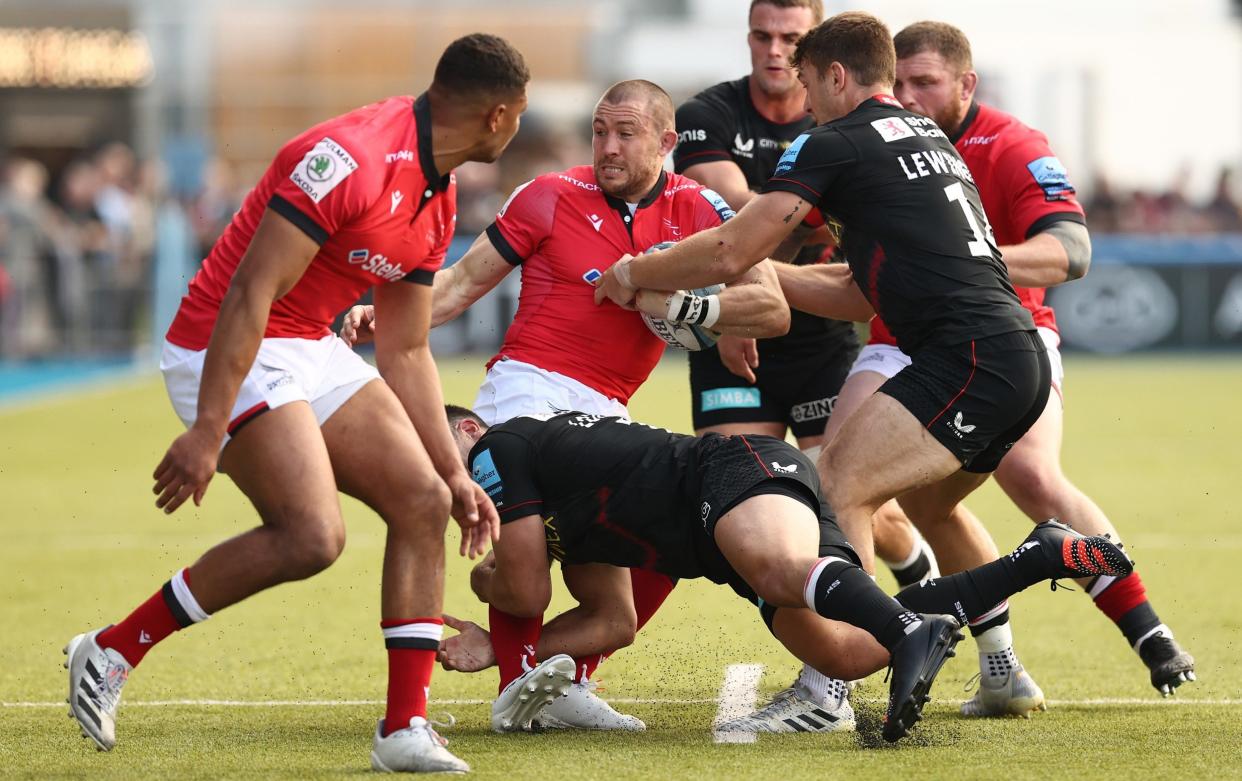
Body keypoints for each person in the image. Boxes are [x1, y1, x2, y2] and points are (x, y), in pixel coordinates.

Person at [63, 34, 528, 774]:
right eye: (520, 118)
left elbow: (405, 348)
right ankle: (112, 649)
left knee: (421, 498)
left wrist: (456, 473)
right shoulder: (352, 157)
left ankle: (404, 727)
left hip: (306, 342)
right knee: (313, 535)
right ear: (499, 116)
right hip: (220, 340)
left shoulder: (436, 204)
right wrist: (209, 428)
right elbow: (250, 291)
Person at [596, 11, 1057, 727]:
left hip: (970, 359)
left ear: (837, 77)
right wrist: (757, 292)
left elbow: (730, 249)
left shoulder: (835, 140)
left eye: (811, 82)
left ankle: (826, 694)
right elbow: (852, 291)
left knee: (838, 485)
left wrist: (635, 269)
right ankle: (1021, 577)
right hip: (1002, 351)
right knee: (865, 488)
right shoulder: (925, 133)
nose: (805, 101)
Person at [341, 79, 792, 733]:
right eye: (599, 133)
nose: (607, 147)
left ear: (666, 143)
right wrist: (385, 318)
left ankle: (554, 677)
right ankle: (519, 681)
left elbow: (772, 306)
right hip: (527, 391)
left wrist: (695, 308)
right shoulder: (549, 195)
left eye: (625, 134)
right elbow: (463, 282)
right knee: (537, 575)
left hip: (606, 409)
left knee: (659, 548)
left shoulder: (702, 209)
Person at [443, 405, 1133, 742]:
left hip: (733, 472)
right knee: (848, 650)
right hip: (733, 528)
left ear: (469, 428)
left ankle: (906, 627)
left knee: (783, 572)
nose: (441, 476)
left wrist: (492, 608)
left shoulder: (497, 450)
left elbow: (525, 590)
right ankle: (1039, 554)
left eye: (437, 449)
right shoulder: (560, 515)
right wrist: (509, 646)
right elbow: (611, 622)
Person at [861, 20, 1192, 708]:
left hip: (1009, 334)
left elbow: (1071, 250)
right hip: (897, 341)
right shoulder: (868, 142)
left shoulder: (1011, 145)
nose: (911, 97)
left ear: (966, 84)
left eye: (925, 82)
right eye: (901, 83)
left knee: (1032, 474)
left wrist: (956, 265)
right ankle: (999, 667)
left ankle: (1146, 628)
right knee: (903, 498)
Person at [672, 0, 936, 732]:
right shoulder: (708, 113)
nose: (776, 50)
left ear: (818, 48)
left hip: (820, 335)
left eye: (792, 37)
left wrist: (753, 244)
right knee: (736, 497)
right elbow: (737, 213)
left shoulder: (842, 124)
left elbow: (751, 232)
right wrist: (744, 283)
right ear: (748, 35)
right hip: (733, 332)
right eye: (763, 34)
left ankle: (912, 584)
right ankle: (841, 662)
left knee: (847, 500)